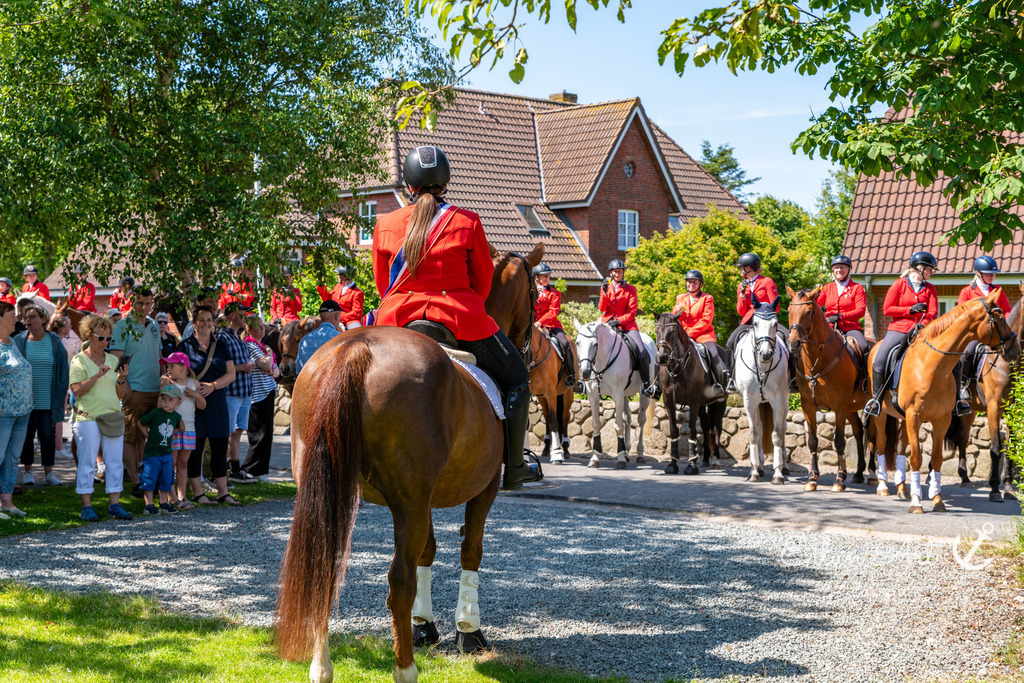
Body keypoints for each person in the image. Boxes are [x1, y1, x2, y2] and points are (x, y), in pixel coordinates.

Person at [372, 144, 540, 490]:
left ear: (409, 185)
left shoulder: (385, 223)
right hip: (457, 319)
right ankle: (516, 466)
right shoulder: (466, 221)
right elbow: (481, 284)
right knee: (518, 376)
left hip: (395, 319)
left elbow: (381, 284)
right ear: (445, 183)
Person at [69, 314, 133, 521]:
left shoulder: (114, 360)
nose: (105, 342)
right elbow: (76, 391)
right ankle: (87, 506)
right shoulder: (79, 360)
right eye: (101, 338)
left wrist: (121, 379)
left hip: (112, 415)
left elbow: (122, 395)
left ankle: (114, 504)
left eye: (108, 339)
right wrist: (97, 375)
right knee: (88, 462)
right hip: (87, 418)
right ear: (89, 335)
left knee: (115, 462)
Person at [863, 251, 939, 417]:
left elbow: (933, 312)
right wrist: (910, 310)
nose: (931, 273)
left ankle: (953, 398)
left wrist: (923, 324)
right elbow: (887, 309)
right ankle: (876, 400)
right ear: (919, 269)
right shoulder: (899, 285)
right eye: (930, 270)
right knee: (880, 358)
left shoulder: (930, 288)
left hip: (921, 330)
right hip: (899, 328)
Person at [177, 305, 239, 506]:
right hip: (194, 402)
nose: (205, 324)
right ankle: (197, 491)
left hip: (217, 399)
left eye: (209, 320)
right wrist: (194, 388)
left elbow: (231, 374)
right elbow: (177, 374)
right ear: (194, 324)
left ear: (214, 322)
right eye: (201, 320)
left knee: (220, 446)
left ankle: (223, 491)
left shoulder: (221, 345)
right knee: (196, 447)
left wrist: (212, 386)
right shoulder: (184, 346)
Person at [109, 287, 162, 496]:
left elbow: (159, 357)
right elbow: (116, 358)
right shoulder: (122, 325)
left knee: (147, 437)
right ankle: (135, 482)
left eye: (149, 303)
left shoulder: (155, 324)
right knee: (130, 436)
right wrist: (126, 386)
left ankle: (148, 479)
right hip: (135, 389)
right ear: (132, 302)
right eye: (141, 303)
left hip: (155, 389)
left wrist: (164, 382)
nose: (145, 307)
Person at [13, 305, 69, 487]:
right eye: (26, 317)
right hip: (25, 401)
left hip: (48, 400)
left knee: (47, 436)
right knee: (26, 437)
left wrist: (62, 394)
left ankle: (49, 473)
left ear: (43, 319)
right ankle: (28, 471)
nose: (28, 320)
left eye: (33, 316)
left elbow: (63, 371)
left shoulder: (54, 341)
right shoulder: (19, 340)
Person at [954, 255, 1012, 413]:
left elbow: (1006, 310)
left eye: (993, 273)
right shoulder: (967, 292)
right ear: (978, 273)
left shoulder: (998, 291)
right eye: (988, 273)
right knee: (968, 352)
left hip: (995, 335)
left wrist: (1003, 324)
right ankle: (962, 387)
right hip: (975, 336)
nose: (991, 276)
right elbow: (962, 314)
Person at [598, 259, 656, 398]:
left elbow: (632, 312)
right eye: (615, 271)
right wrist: (604, 293)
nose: (618, 274)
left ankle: (646, 384)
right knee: (591, 344)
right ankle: (588, 382)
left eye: (620, 271)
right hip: (607, 323)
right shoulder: (605, 287)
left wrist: (618, 321)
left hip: (627, 325)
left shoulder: (631, 289)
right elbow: (601, 308)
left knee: (641, 351)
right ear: (610, 273)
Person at [724, 252, 781, 392]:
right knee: (730, 343)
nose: (740, 270)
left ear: (749, 268)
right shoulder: (741, 286)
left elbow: (776, 306)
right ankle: (731, 378)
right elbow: (741, 312)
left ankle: (792, 379)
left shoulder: (767, 281)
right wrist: (743, 296)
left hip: (766, 319)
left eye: (742, 267)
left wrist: (763, 312)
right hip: (749, 320)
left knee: (787, 338)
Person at [159, 352, 205, 510]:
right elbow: (160, 407)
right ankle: (171, 496)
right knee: (170, 463)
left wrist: (196, 395)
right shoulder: (167, 383)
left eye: (172, 365)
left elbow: (202, 405)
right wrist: (166, 389)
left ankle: (182, 495)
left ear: (184, 367)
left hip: (190, 430)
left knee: (183, 463)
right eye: (167, 365)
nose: (168, 368)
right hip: (172, 430)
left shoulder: (194, 383)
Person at [0, 301, 32, 519]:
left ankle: (7, 502)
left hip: (22, 412)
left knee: (12, 459)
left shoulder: (12, 342)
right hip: (3, 413)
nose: (16, 319)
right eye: (12, 315)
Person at [672, 269, 726, 399]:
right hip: (682, 336)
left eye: (694, 282)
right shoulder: (680, 298)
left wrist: (688, 333)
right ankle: (659, 385)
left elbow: (706, 320)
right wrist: (675, 311)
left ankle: (719, 385)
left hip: (703, 335)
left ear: (700, 284)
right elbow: (673, 318)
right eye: (689, 282)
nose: (691, 284)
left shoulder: (707, 298)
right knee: (664, 352)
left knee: (713, 354)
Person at [219, 302, 256, 484]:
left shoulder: (239, 337)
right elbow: (220, 365)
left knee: (238, 431)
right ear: (231, 316)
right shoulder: (223, 337)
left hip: (244, 391)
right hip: (231, 391)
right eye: (242, 313)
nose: (245, 317)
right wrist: (243, 367)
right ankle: (223, 469)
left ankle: (235, 469)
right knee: (228, 431)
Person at [240, 315, 279, 483]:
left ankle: (260, 470)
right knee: (258, 434)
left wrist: (270, 367)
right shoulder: (251, 345)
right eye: (258, 326)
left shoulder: (261, 346)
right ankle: (248, 469)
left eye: (263, 326)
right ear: (248, 330)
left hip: (267, 392)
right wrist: (269, 356)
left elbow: (275, 371)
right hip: (257, 395)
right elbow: (266, 365)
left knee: (267, 434)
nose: (263, 329)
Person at [137, 384, 184, 515]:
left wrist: (171, 435)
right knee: (149, 478)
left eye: (170, 400)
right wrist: (147, 435)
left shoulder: (176, 416)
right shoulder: (155, 413)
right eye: (164, 399)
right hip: (152, 453)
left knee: (166, 478)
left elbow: (180, 428)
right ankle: (149, 505)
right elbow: (140, 423)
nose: (166, 402)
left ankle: (163, 503)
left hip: (167, 453)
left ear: (178, 402)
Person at [532, 262, 575, 387]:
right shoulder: (531, 292)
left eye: (547, 276)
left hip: (551, 325)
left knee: (566, 343)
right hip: (533, 325)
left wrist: (540, 322)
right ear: (537, 277)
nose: (546, 278)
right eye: (543, 276)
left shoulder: (555, 293)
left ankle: (571, 374)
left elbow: (553, 312)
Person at [49, 315, 77, 460]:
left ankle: (58, 446)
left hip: (60, 384)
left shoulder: (57, 342)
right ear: (61, 328)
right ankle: (59, 447)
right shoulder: (56, 343)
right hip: (57, 385)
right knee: (59, 416)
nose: (70, 329)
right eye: (68, 326)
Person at [295, 299, 343, 373]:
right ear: (336, 316)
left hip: (308, 383)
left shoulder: (305, 340)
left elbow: (298, 370)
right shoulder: (341, 338)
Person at [318, 265, 364, 329]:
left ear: (343, 277)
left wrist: (339, 316)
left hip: (350, 321)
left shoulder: (357, 293)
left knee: (356, 331)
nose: (337, 277)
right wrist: (321, 286)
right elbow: (328, 300)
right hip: (334, 318)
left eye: (338, 275)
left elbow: (357, 313)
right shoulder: (338, 286)